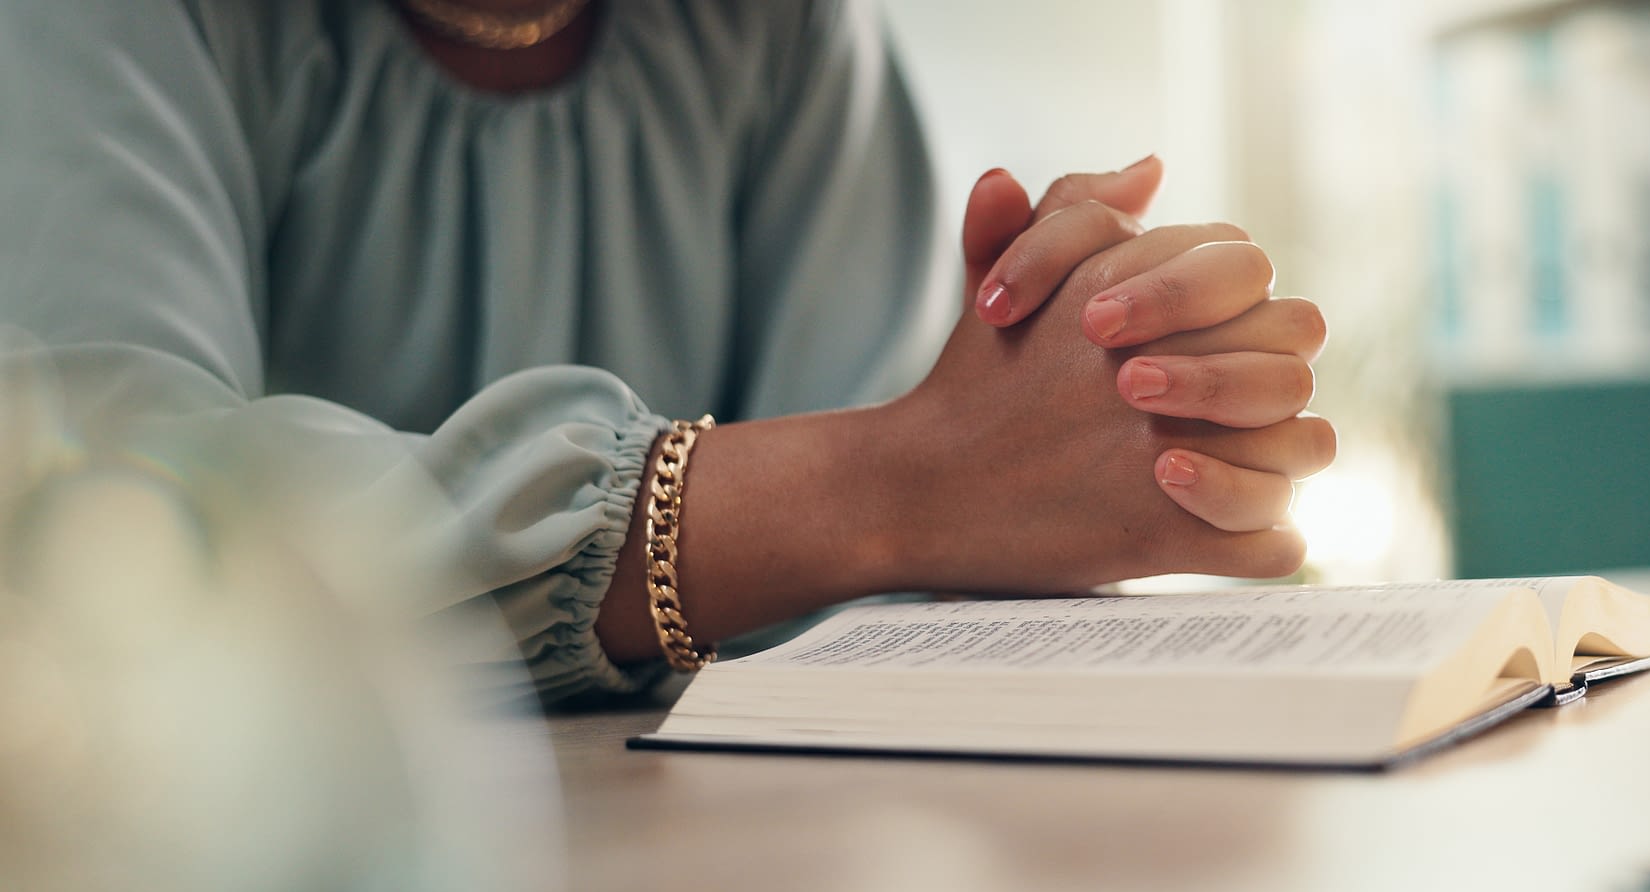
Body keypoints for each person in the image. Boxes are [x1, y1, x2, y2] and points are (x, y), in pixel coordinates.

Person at [0, 0, 1335, 704]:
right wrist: (897, 488)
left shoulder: (782, 28)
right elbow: (107, 525)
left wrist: (1080, 386)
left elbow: (884, 559)